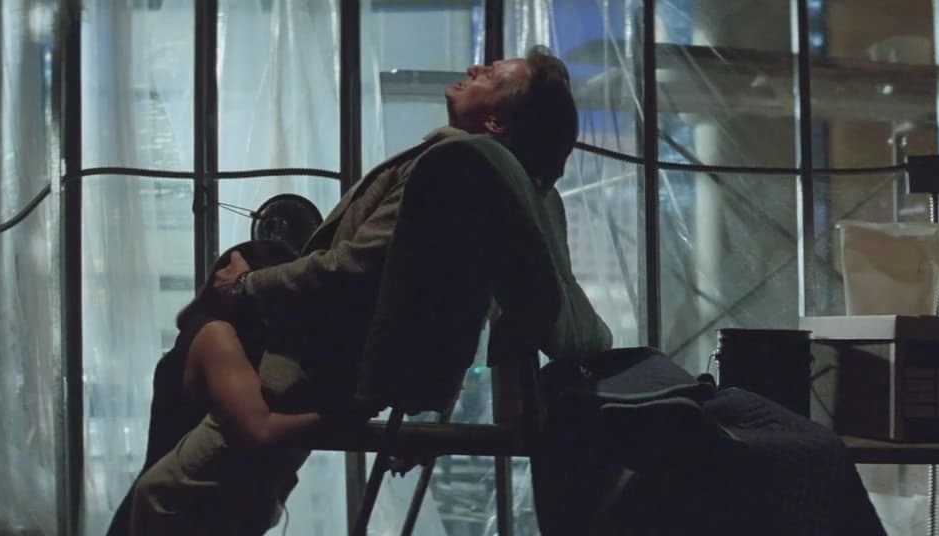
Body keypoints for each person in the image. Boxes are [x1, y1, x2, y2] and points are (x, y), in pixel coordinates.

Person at [127, 45, 611, 534]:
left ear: (496, 121)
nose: (473, 69)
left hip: (309, 371)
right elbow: (460, 311)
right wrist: (432, 409)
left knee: (163, 497)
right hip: (329, 376)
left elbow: (353, 267)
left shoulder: (443, 170)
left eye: (490, 74)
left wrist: (247, 285)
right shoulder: (492, 191)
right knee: (233, 506)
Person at [107, 240, 323, 536]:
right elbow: (260, 428)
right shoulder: (216, 335)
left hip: (182, 512)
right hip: (172, 515)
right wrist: (343, 415)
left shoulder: (215, 334)